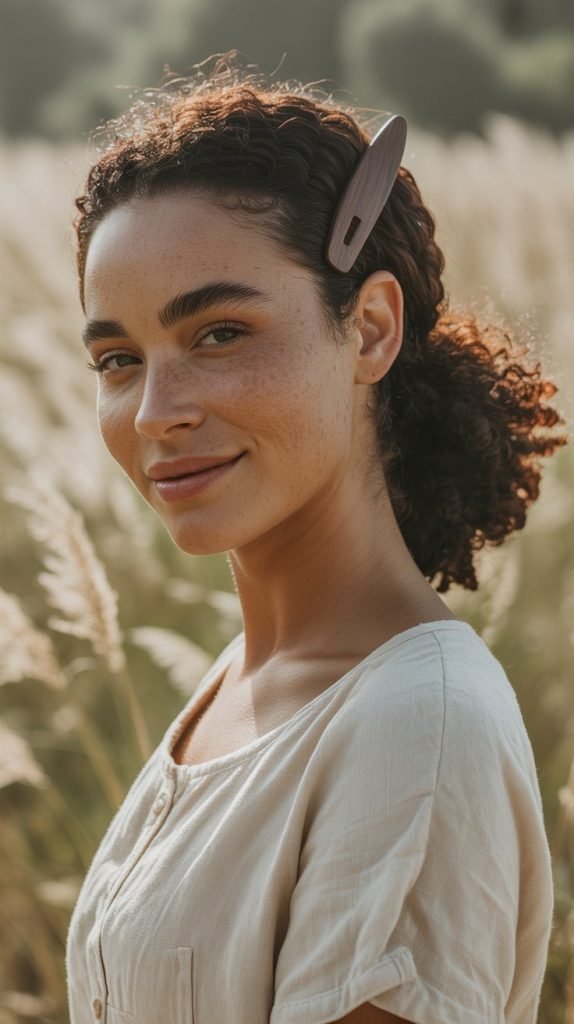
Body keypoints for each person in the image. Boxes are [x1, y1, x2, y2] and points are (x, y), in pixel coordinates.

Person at [65, 61, 567, 1024]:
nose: (156, 415)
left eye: (220, 334)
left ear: (371, 329)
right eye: (119, 361)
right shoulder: (246, 684)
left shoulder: (415, 728)